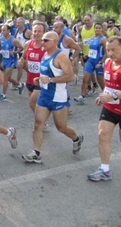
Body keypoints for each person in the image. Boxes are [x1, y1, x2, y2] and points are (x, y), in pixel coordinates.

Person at [22, 31, 84, 163]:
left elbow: (70, 77)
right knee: (38, 124)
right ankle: (36, 153)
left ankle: (76, 138)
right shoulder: (45, 54)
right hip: (44, 96)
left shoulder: (61, 56)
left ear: (55, 42)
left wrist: (49, 80)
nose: (42, 42)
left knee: (61, 127)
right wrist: (39, 79)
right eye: (42, 39)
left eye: (46, 40)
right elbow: (45, 73)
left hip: (58, 98)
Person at [87, 36, 121, 181]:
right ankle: (105, 170)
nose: (110, 53)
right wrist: (103, 96)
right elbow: (109, 85)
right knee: (102, 134)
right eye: (108, 50)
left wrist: (114, 97)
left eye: (114, 50)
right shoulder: (108, 62)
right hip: (110, 108)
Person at [74, 23, 107, 104]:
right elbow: (92, 50)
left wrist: (101, 62)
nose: (97, 29)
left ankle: (106, 96)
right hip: (90, 61)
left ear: (102, 29)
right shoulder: (92, 38)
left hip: (98, 62)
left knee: (100, 80)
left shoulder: (103, 39)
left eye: (99, 28)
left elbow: (107, 52)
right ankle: (82, 96)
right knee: (85, 79)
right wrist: (87, 55)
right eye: (96, 28)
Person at [19, 22, 47, 112]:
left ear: (44, 33)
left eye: (39, 31)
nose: (37, 33)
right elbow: (23, 57)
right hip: (30, 79)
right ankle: (41, 121)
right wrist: (21, 61)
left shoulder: (46, 46)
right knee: (35, 104)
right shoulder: (28, 44)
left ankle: (41, 121)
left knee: (32, 102)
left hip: (41, 81)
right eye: (35, 31)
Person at [0, 24, 24, 100]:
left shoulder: (13, 40)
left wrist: (15, 52)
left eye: (4, 30)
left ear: (9, 31)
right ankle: (20, 84)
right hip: (4, 61)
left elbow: (21, 48)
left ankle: (3, 95)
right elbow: (0, 47)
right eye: (2, 30)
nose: (2, 32)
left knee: (5, 78)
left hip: (11, 61)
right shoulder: (1, 39)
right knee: (9, 78)